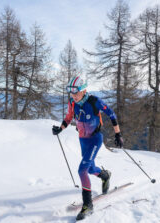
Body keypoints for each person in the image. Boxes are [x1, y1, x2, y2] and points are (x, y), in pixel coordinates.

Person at [52, 76, 124, 220]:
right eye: (71, 93)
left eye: (76, 93)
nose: (74, 96)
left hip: (95, 139)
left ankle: (88, 205)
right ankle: (105, 175)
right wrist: (60, 128)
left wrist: (118, 134)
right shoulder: (72, 102)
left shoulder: (94, 101)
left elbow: (111, 113)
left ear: (84, 90)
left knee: (82, 170)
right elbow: (69, 117)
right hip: (83, 139)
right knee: (90, 169)